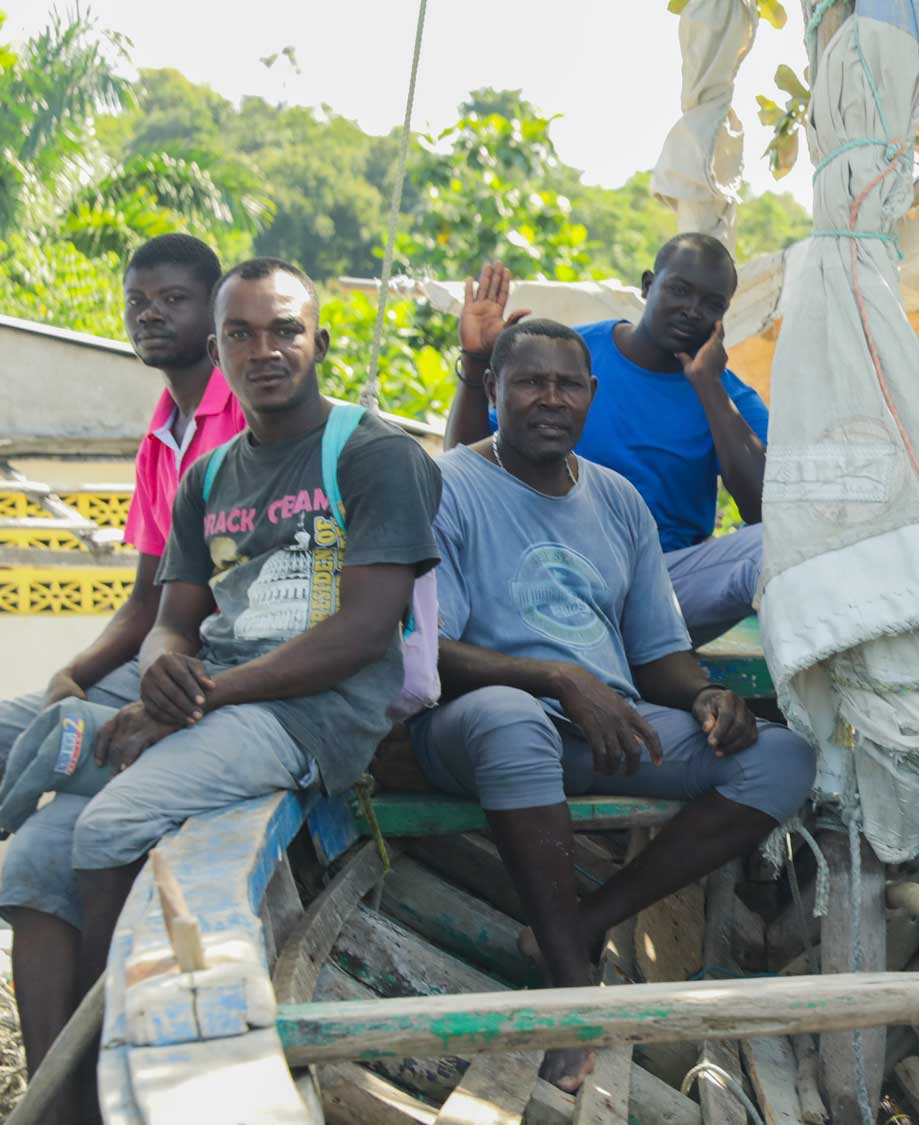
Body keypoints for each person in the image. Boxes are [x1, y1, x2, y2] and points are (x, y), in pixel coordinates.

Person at [0, 258, 441, 1117]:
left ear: (321, 340)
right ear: (219, 345)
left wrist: (203, 695)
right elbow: (174, 614)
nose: (263, 350)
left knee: (111, 820)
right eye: (241, 333)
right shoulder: (207, 478)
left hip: (309, 717)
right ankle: (55, 1103)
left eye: (284, 330)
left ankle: (100, 1082)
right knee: (37, 852)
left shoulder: (374, 454)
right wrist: (167, 662)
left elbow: (362, 630)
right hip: (218, 697)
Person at [413, 317, 815, 1090]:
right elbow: (426, 650)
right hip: (477, 727)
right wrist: (559, 679)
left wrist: (704, 694)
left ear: (592, 395)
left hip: (604, 731)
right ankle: (571, 993)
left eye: (567, 384)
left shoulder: (618, 500)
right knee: (509, 718)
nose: (549, 399)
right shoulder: (448, 484)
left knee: (783, 755)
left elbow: (657, 652)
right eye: (529, 381)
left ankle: (584, 920)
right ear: (493, 389)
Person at [0, 232, 247, 1081]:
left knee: (42, 839)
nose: (149, 313)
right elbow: (146, 597)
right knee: (18, 722)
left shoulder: (249, 411)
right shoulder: (163, 429)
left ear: (216, 315)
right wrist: (74, 670)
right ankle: (49, 1096)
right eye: (138, 300)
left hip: (213, 677)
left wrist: (134, 674)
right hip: (152, 652)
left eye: (172, 299)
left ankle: (82, 1087)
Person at [444, 242, 768, 645]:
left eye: (712, 303)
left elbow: (766, 511)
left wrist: (707, 384)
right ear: (648, 285)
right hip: (544, 572)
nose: (692, 310)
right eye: (680, 291)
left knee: (776, 546)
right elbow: (464, 467)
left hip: (663, 591)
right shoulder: (567, 361)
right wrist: (476, 360)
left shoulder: (729, 397)